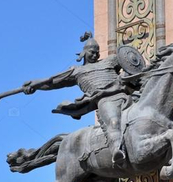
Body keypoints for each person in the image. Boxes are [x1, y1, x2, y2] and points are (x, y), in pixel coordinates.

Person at [22, 32, 136, 165]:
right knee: (114, 121)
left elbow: (128, 61)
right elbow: (52, 81)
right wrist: (35, 84)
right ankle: (117, 150)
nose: (95, 55)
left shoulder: (110, 61)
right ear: (83, 53)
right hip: (105, 100)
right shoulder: (76, 72)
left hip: (125, 94)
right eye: (92, 52)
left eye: (97, 52)